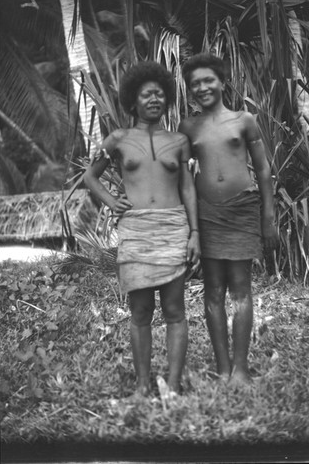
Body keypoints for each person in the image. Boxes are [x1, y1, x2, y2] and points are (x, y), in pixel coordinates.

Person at [83, 61, 200, 397]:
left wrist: (194, 233)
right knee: (140, 312)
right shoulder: (118, 139)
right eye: (147, 94)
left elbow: (188, 188)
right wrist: (110, 201)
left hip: (172, 228)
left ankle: (174, 385)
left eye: (160, 94)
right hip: (135, 232)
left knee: (175, 310)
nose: (154, 99)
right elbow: (90, 176)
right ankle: (142, 385)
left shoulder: (179, 141)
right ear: (132, 101)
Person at [179, 53, 278, 385]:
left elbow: (263, 169)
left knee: (240, 289)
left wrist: (268, 216)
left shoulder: (243, 119)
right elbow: (184, 179)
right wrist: (189, 226)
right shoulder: (188, 126)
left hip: (242, 209)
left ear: (223, 82)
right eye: (195, 83)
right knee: (213, 291)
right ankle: (223, 369)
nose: (203, 87)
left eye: (209, 80)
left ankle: (241, 368)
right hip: (207, 213)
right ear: (189, 89)